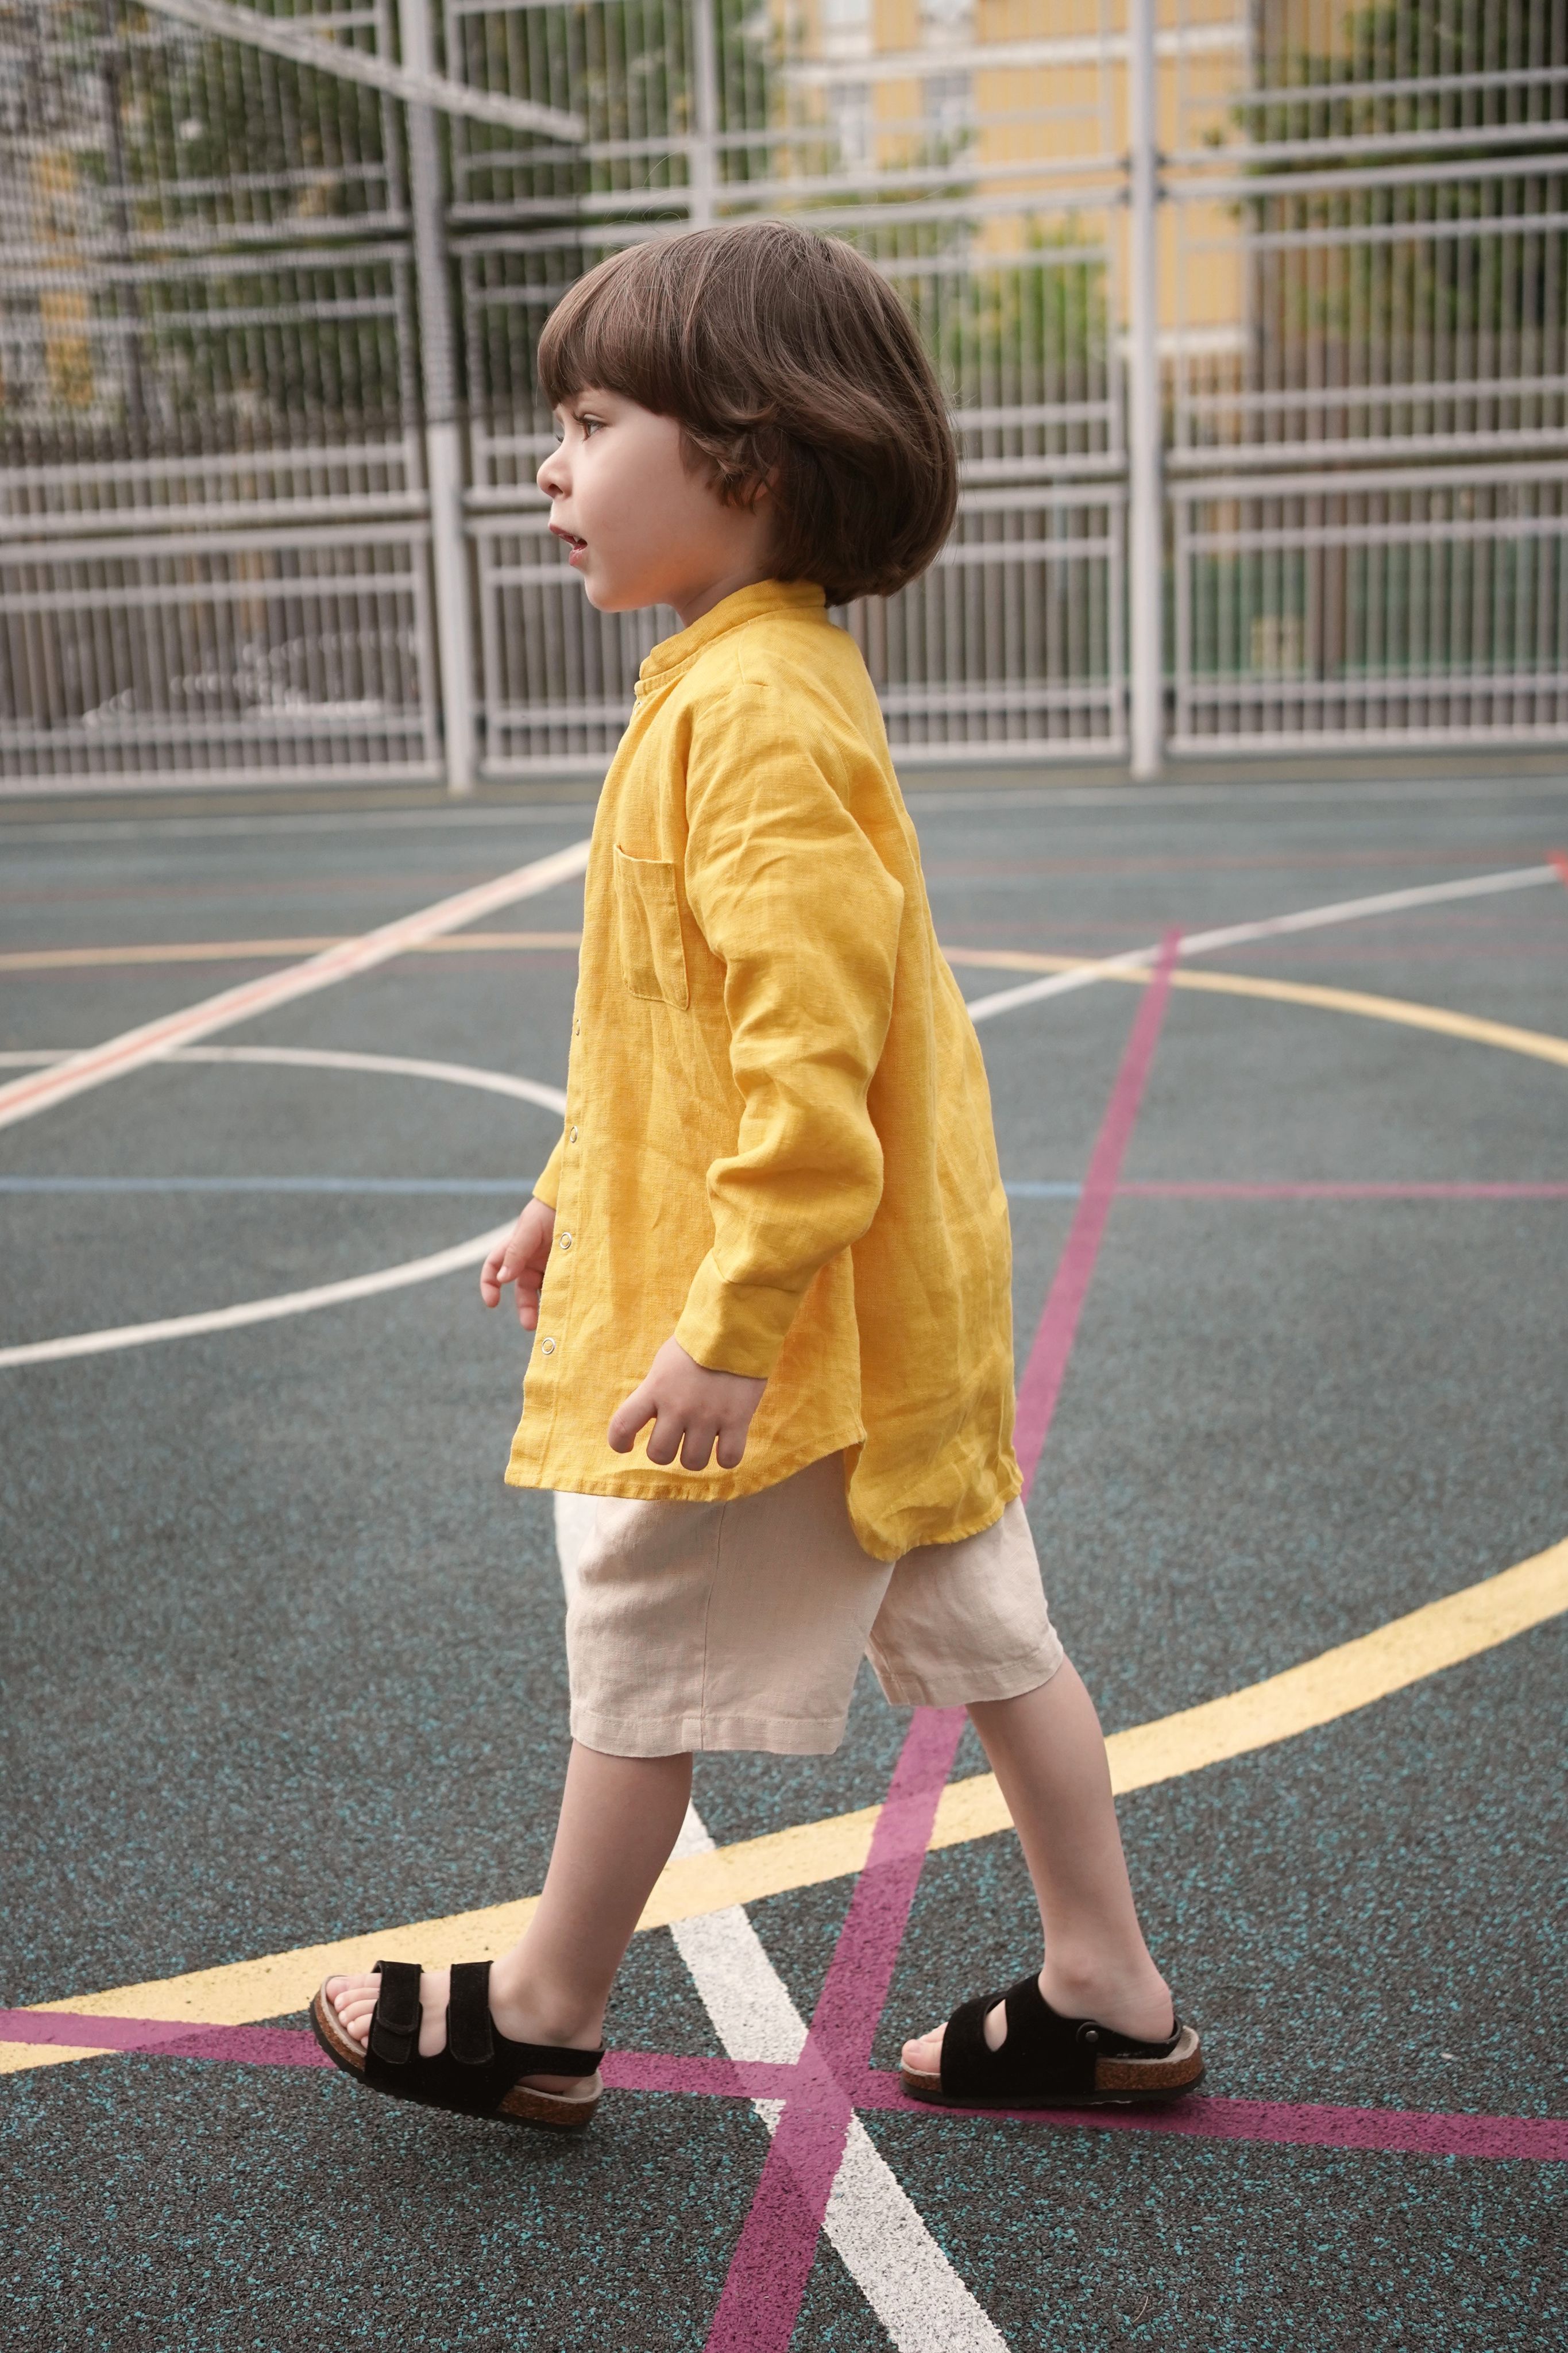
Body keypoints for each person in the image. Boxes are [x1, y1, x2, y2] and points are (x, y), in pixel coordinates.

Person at [310, 220, 1201, 2129]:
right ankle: (1107, 1989)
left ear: (751, 453)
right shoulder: (737, 682)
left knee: (643, 1646)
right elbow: (672, 1023)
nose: (549, 465)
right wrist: (573, 1181)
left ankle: (542, 2012)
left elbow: (805, 1070)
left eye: (591, 418)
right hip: (889, 1319)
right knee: (988, 1631)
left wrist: (725, 1331)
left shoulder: (755, 713)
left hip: (791, 1343)